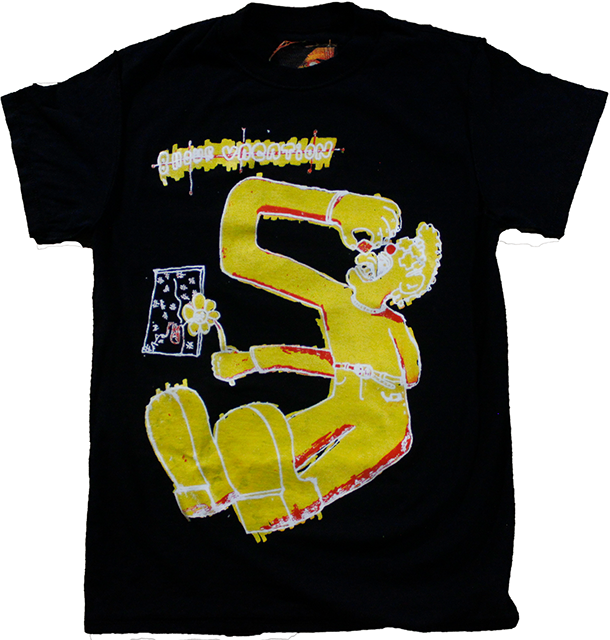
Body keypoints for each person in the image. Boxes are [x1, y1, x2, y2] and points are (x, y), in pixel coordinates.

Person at [145, 176, 442, 541]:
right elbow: (240, 256)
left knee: (308, 482)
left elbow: (407, 375)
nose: (374, 251)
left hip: (383, 425)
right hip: (341, 405)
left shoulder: (394, 328)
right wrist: (333, 207)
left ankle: (274, 500)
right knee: (258, 438)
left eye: (391, 254)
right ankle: (206, 482)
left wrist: (257, 359)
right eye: (382, 247)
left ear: (406, 284)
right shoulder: (334, 299)